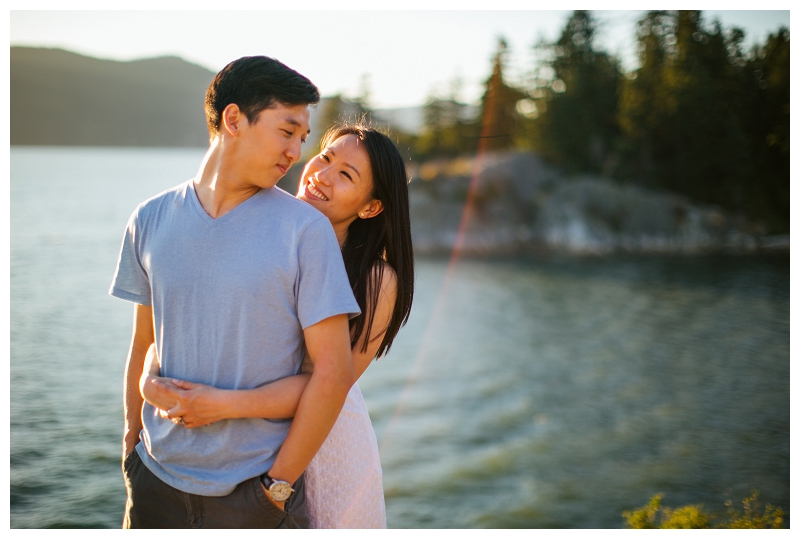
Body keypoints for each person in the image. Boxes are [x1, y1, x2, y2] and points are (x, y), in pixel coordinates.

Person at [109, 56, 361, 528]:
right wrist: (131, 443)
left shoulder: (305, 230)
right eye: (287, 131)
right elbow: (144, 343)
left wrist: (277, 487)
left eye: (303, 139)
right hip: (154, 484)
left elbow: (334, 372)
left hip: (253, 496)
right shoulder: (149, 219)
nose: (295, 153)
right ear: (233, 119)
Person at [140, 123, 415, 528]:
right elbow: (187, 320)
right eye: (325, 158)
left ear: (370, 207)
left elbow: (329, 383)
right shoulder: (269, 229)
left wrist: (220, 406)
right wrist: (150, 379)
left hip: (320, 442)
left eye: (346, 175)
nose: (321, 175)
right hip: (240, 441)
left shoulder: (375, 279)